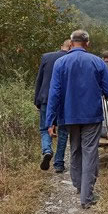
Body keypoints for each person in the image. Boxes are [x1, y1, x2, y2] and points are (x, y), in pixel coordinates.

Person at [46, 30, 108, 208]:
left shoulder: (60, 63)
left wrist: (50, 121)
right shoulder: (96, 61)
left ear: (71, 42)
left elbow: (54, 93)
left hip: (68, 115)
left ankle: (79, 185)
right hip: (91, 114)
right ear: (87, 43)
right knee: (90, 151)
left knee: (75, 149)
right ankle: (87, 196)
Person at [34, 39, 71, 172]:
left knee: (44, 129)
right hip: (64, 101)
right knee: (63, 132)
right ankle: (59, 164)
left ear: (61, 46)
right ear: (72, 47)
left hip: (46, 98)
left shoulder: (47, 57)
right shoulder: (71, 59)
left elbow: (39, 79)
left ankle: (47, 150)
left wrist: (37, 100)